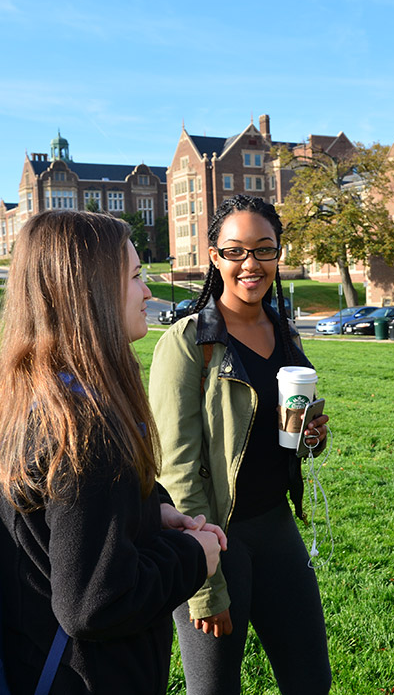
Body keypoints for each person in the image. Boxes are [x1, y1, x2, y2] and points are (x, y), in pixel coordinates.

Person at [0, 210, 225, 695]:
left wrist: (151, 510)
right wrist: (193, 555)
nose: (148, 293)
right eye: (138, 277)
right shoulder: (85, 432)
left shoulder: (33, 397)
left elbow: (59, 524)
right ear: (90, 294)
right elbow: (95, 601)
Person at [149, 195, 332, 695]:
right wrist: (204, 586)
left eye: (264, 250)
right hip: (211, 537)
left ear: (278, 254)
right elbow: (176, 468)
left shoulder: (286, 335)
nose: (250, 264)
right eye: (235, 252)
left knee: (311, 680)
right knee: (214, 689)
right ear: (214, 256)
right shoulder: (189, 343)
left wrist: (312, 436)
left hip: (276, 529)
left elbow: (293, 433)